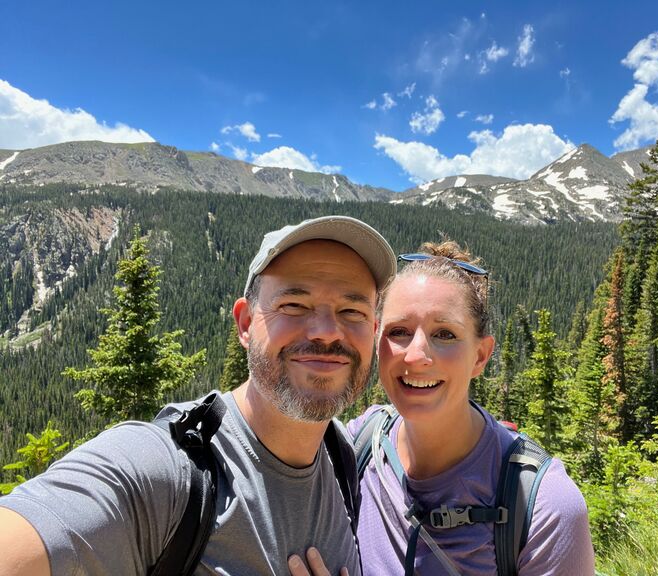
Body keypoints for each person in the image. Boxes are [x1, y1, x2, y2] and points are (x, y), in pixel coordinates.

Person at [0, 215, 397, 576]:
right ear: (245, 324)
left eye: (352, 311)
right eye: (294, 304)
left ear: (373, 329)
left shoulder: (345, 458)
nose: (327, 331)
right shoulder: (166, 471)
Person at [346, 240, 595, 575]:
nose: (416, 355)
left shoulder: (545, 505)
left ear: (480, 356)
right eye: (399, 331)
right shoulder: (358, 447)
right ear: (377, 342)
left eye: (445, 334)